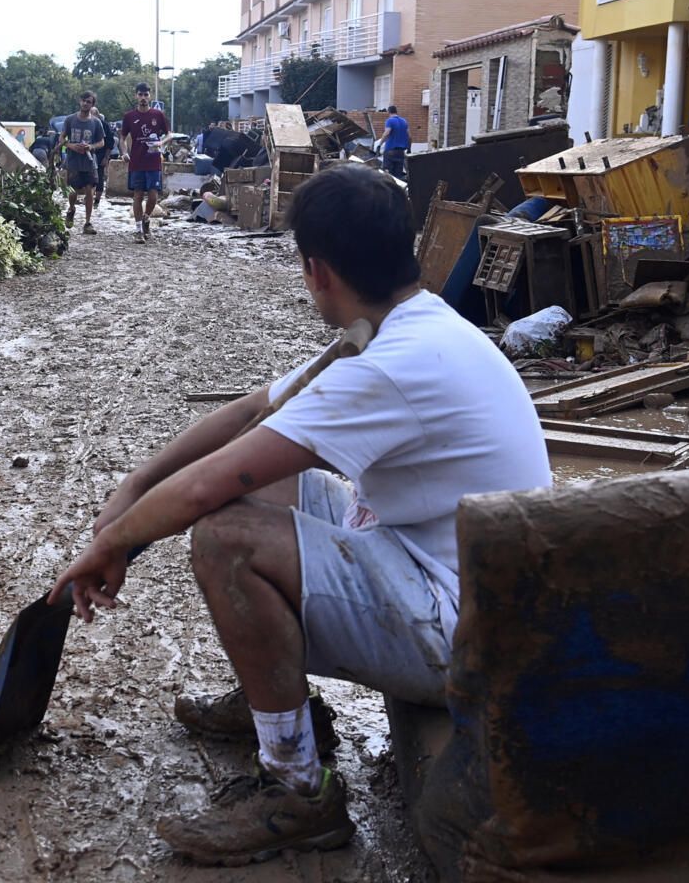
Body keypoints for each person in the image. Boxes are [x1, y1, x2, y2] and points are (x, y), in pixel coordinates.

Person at [47, 164, 551, 867]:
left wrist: (113, 544)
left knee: (225, 539)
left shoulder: (389, 364)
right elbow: (255, 410)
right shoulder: (406, 325)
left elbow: (202, 493)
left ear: (317, 271)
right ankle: (283, 705)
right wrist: (131, 489)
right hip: (453, 578)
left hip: (465, 639)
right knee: (263, 490)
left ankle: (297, 792)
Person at [121, 82, 169, 243]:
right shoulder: (129, 116)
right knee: (137, 195)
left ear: (150, 96)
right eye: (140, 94)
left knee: (153, 194)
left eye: (146, 95)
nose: (143, 98)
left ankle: (147, 218)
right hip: (136, 161)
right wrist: (124, 152)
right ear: (136, 96)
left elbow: (170, 134)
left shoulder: (158, 115)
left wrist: (161, 143)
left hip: (154, 160)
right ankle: (138, 229)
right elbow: (122, 138)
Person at [62, 91, 105, 236]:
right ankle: (71, 209)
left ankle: (87, 222)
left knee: (90, 191)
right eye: (84, 101)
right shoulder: (70, 120)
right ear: (80, 101)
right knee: (73, 191)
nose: (86, 104)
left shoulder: (96, 122)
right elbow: (61, 139)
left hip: (89, 162)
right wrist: (71, 146)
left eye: (89, 102)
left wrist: (91, 147)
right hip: (73, 161)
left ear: (92, 105)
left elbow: (101, 142)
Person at [90, 98, 116, 207]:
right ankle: (89, 198)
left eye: (93, 114)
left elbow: (110, 142)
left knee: (99, 176)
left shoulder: (104, 125)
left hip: (101, 154)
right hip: (88, 154)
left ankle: (97, 200)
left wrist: (106, 157)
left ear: (97, 115)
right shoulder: (86, 123)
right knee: (89, 177)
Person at [378, 105, 410, 179]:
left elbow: (387, 133)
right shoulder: (404, 121)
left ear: (389, 112)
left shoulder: (389, 121)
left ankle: (388, 189)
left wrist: (379, 145)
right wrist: (409, 148)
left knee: (388, 174)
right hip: (401, 152)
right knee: (398, 175)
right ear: (396, 111)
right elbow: (409, 136)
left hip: (390, 150)